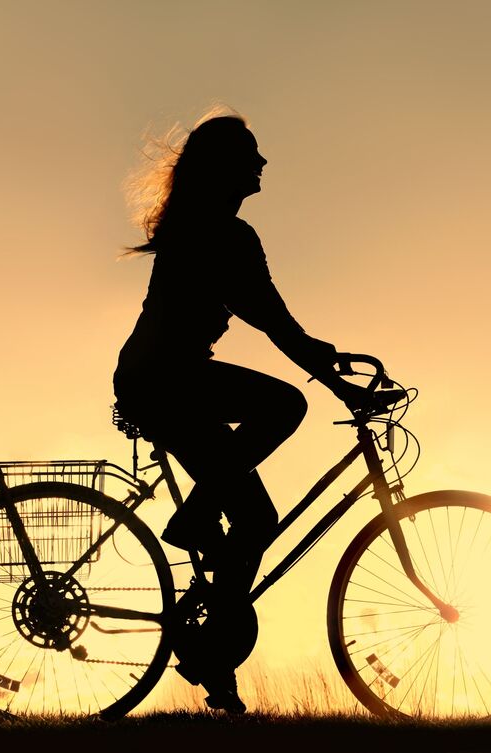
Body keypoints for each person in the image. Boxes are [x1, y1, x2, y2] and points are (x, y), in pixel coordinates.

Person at [112, 112, 370, 712]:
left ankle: (214, 661)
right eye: (251, 154)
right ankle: (199, 547)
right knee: (282, 413)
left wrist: (328, 361)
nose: (262, 164)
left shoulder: (211, 229)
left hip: (168, 380)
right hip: (166, 381)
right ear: (226, 169)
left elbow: (275, 318)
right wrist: (336, 381)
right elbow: (273, 322)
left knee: (252, 518)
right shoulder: (220, 234)